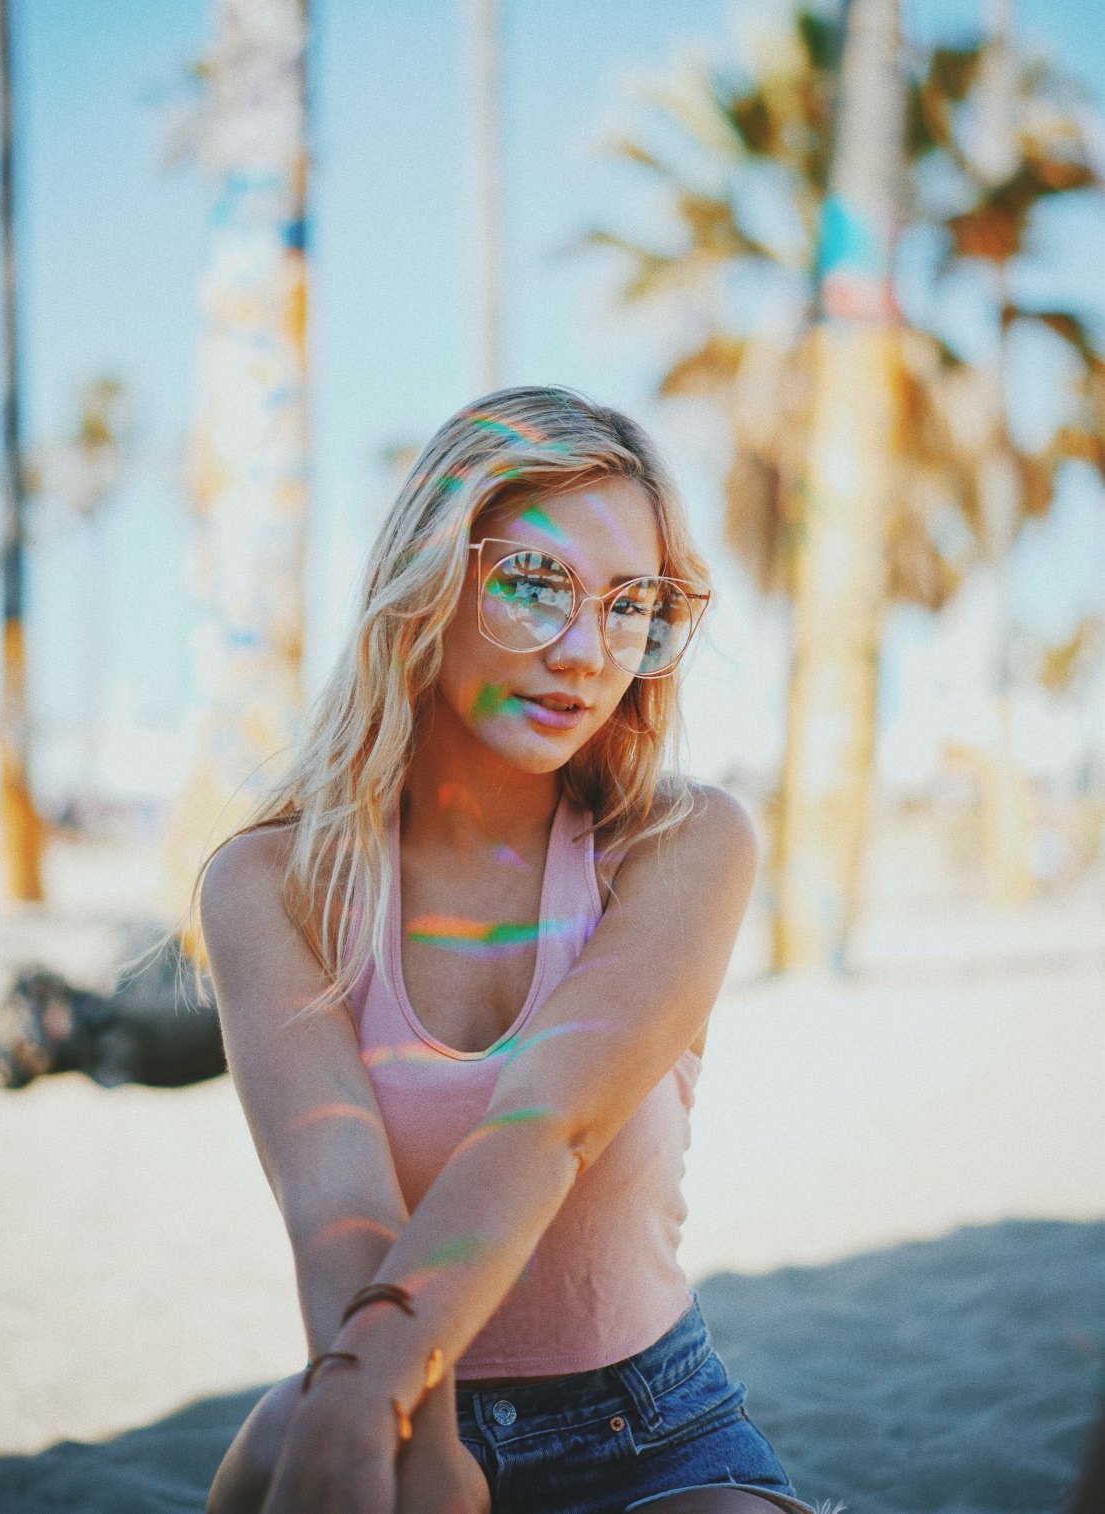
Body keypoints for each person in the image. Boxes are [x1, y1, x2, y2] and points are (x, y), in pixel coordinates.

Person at [197, 386, 815, 1514]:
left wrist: (371, 1381)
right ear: (431, 579)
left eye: (632, 604)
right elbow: (335, 1202)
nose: (590, 652)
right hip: (366, 1389)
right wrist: (384, 1407)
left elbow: (549, 1125)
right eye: (535, 587)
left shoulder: (680, 845)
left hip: (652, 1428)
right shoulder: (271, 885)